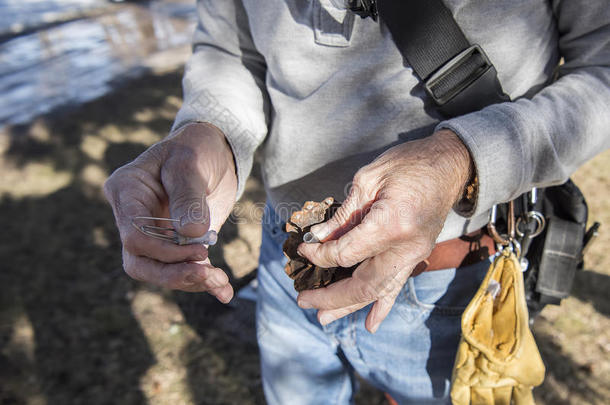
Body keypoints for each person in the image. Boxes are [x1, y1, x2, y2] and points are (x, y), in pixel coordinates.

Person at [103, 1, 610, 403]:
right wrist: (209, 136)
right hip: (284, 258)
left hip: (454, 275)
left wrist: (460, 158)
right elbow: (230, 50)